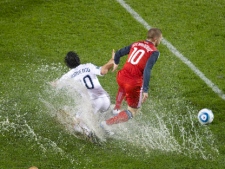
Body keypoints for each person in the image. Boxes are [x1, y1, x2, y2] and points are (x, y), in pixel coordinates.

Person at [101, 28, 163, 132]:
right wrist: (145, 90)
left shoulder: (136, 44)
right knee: (134, 111)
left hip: (121, 76)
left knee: (124, 86)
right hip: (133, 83)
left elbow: (119, 52)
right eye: (161, 38)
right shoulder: (154, 52)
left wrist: (116, 62)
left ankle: (116, 108)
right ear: (155, 39)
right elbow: (147, 69)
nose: (161, 41)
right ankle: (106, 124)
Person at [51, 51, 114, 136]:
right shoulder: (89, 66)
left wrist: (51, 83)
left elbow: (56, 84)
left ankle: (90, 134)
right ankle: (108, 130)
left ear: (68, 64)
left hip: (94, 103)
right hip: (106, 100)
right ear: (78, 59)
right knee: (99, 117)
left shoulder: (69, 75)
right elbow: (103, 71)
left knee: (76, 122)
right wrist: (112, 59)